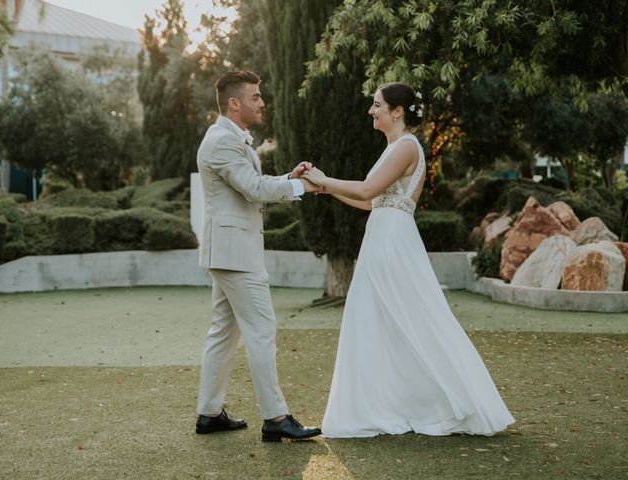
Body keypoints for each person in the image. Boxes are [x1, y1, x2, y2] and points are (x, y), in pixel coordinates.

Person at [302, 82, 515, 438]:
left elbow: (369, 191)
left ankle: (445, 401)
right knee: (382, 319)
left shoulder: (405, 146)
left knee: (409, 317)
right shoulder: (395, 148)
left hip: (391, 242)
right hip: (383, 234)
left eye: (377, 105)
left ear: (397, 111)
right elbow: (372, 202)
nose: (372, 111)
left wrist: (325, 178)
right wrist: (328, 189)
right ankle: (390, 402)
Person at [195, 70, 321, 442]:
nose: (261, 102)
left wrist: (287, 177)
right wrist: (302, 185)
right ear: (234, 103)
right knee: (261, 331)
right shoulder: (222, 141)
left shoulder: (230, 139)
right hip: (236, 255)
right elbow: (252, 190)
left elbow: (248, 186)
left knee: (223, 332)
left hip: (230, 251)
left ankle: (209, 413)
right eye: (255, 97)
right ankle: (275, 417)